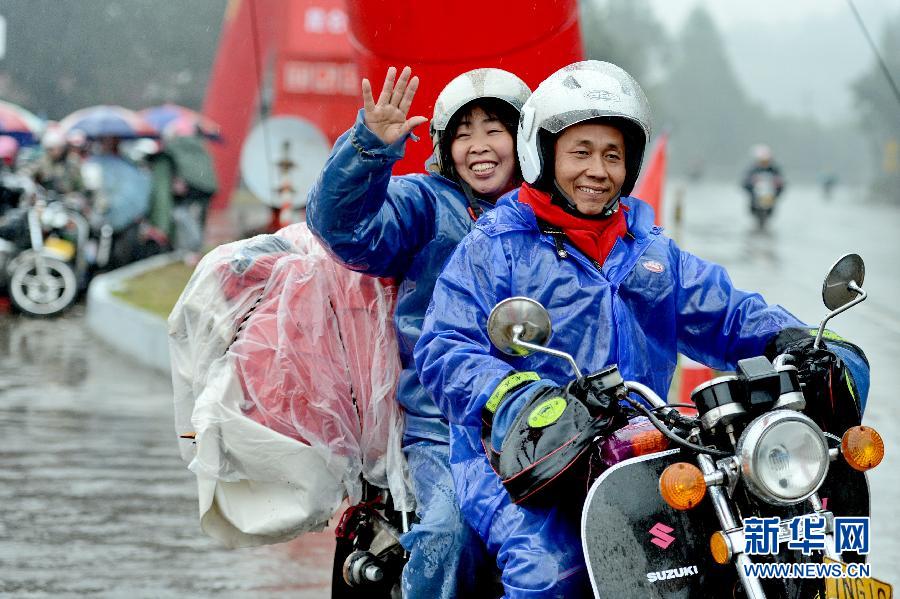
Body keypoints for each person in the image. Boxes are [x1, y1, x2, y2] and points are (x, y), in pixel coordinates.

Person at [414, 61, 870, 597]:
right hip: (523, 461)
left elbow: (728, 312)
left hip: (644, 450)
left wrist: (798, 340)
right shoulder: (496, 245)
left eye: (613, 155)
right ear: (544, 154)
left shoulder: (649, 251)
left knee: (759, 545)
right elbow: (445, 348)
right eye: (580, 152)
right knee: (550, 569)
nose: (597, 170)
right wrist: (522, 397)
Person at [306, 65, 531, 597]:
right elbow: (340, 227)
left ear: (525, 139)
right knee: (449, 533)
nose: (479, 146)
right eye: (464, 132)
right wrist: (368, 147)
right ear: (444, 145)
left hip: (544, 420)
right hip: (444, 422)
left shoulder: (550, 212)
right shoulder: (424, 203)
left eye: (494, 128)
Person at [741, 144, 785, 228]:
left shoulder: (775, 170)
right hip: (755, 202)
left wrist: (777, 189)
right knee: (757, 221)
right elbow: (744, 184)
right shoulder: (752, 170)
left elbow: (782, 186)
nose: (764, 162)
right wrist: (751, 183)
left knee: (766, 221)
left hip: (770, 201)